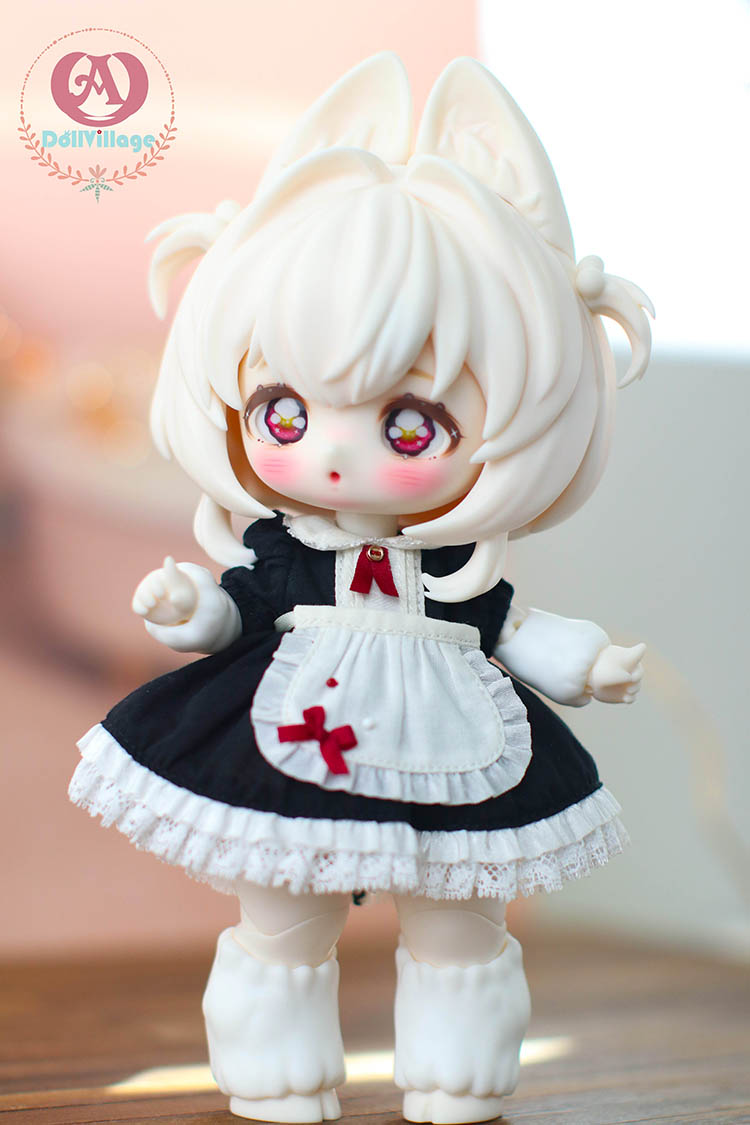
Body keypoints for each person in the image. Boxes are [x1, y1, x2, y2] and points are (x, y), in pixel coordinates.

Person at [70, 53, 652, 1124]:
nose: (334, 456)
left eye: (410, 425)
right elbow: (239, 606)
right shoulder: (288, 554)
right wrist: (191, 610)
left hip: (453, 746)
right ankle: (278, 1073)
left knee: (462, 921)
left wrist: (588, 662)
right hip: (295, 741)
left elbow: (510, 627)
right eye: (286, 414)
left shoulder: (455, 573)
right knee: (284, 914)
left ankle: (459, 1074)